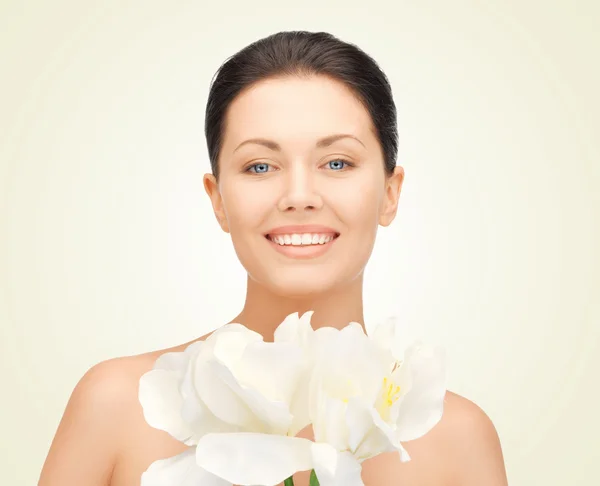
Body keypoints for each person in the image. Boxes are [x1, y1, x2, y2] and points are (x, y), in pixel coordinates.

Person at [38, 31, 508, 486]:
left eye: (337, 163)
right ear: (217, 198)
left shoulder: (458, 439)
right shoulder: (118, 405)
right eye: (260, 166)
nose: (299, 196)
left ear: (390, 192)